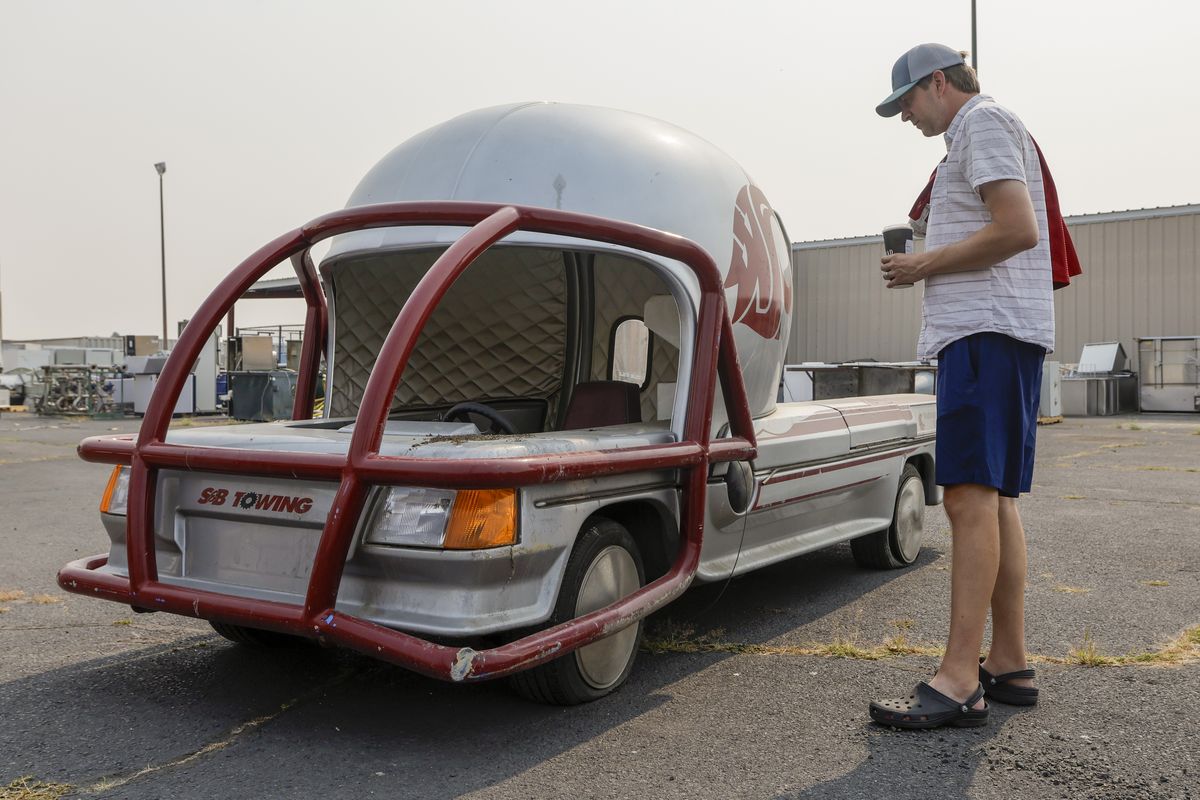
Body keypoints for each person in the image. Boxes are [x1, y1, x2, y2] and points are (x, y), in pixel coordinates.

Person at [868, 43, 1052, 729]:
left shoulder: (979, 124)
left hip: (984, 334)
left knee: (969, 500)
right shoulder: (982, 130)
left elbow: (1018, 228)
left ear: (938, 83)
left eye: (908, 101)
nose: (905, 116)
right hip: (997, 335)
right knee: (995, 500)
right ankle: (1007, 661)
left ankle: (957, 678)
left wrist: (924, 266)